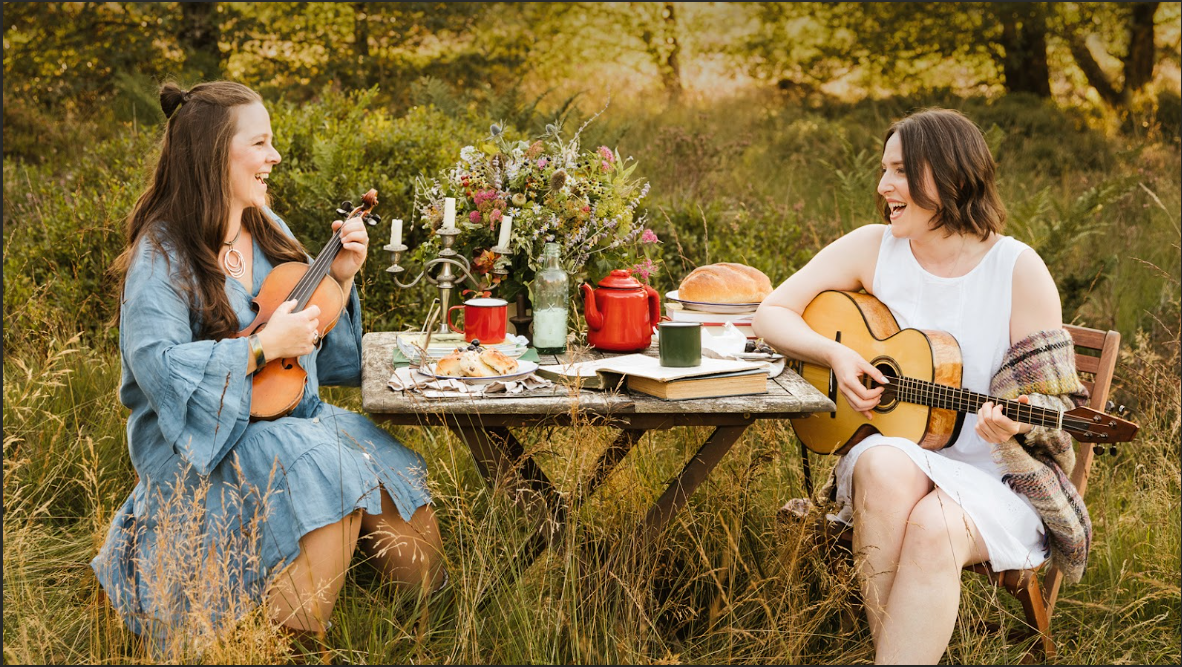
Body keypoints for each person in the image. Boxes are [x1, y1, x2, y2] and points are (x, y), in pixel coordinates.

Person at [90, 81, 445, 653]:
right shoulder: (162, 253)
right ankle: (288, 647)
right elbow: (157, 367)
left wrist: (345, 275)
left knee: (392, 486)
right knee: (323, 468)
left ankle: (419, 633)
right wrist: (256, 348)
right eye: (261, 143)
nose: (274, 157)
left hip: (290, 418)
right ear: (214, 156)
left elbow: (320, 346)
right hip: (204, 450)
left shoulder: (266, 225)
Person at [753, 108, 1091, 664]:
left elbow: (1051, 402)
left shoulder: (1016, 268)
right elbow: (772, 313)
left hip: (998, 474)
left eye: (902, 170)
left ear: (952, 175)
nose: (884, 186)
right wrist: (837, 353)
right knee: (881, 463)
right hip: (901, 459)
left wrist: (1018, 422)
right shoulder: (872, 247)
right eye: (884, 169)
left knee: (935, 528)